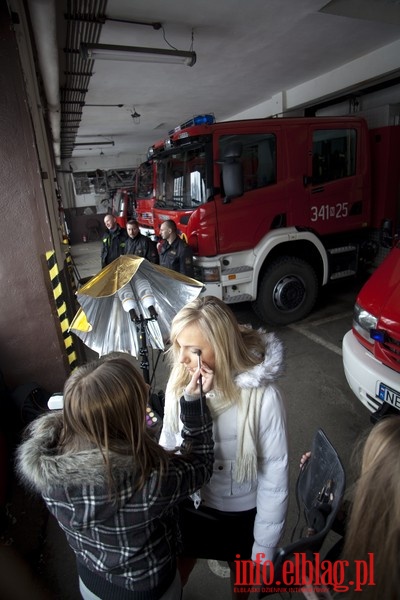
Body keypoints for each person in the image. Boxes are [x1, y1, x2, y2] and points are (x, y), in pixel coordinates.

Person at [16, 356, 214, 600]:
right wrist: (193, 404)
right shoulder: (151, 481)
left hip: (91, 582)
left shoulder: (48, 466)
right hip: (148, 590)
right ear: (123, 420)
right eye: (138, 393)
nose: (147, 387)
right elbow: (201, 466)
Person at [159, 296, 289, 599]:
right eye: (177, 346)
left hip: (240, 513)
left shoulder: (265, 398)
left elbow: (275, 478)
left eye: (192, 350)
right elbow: (168, 442)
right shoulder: (179, 384)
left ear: (222, 346)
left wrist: (263, 552)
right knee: (177, 573)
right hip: (192, 503)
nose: (180, 360)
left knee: (243, 583)